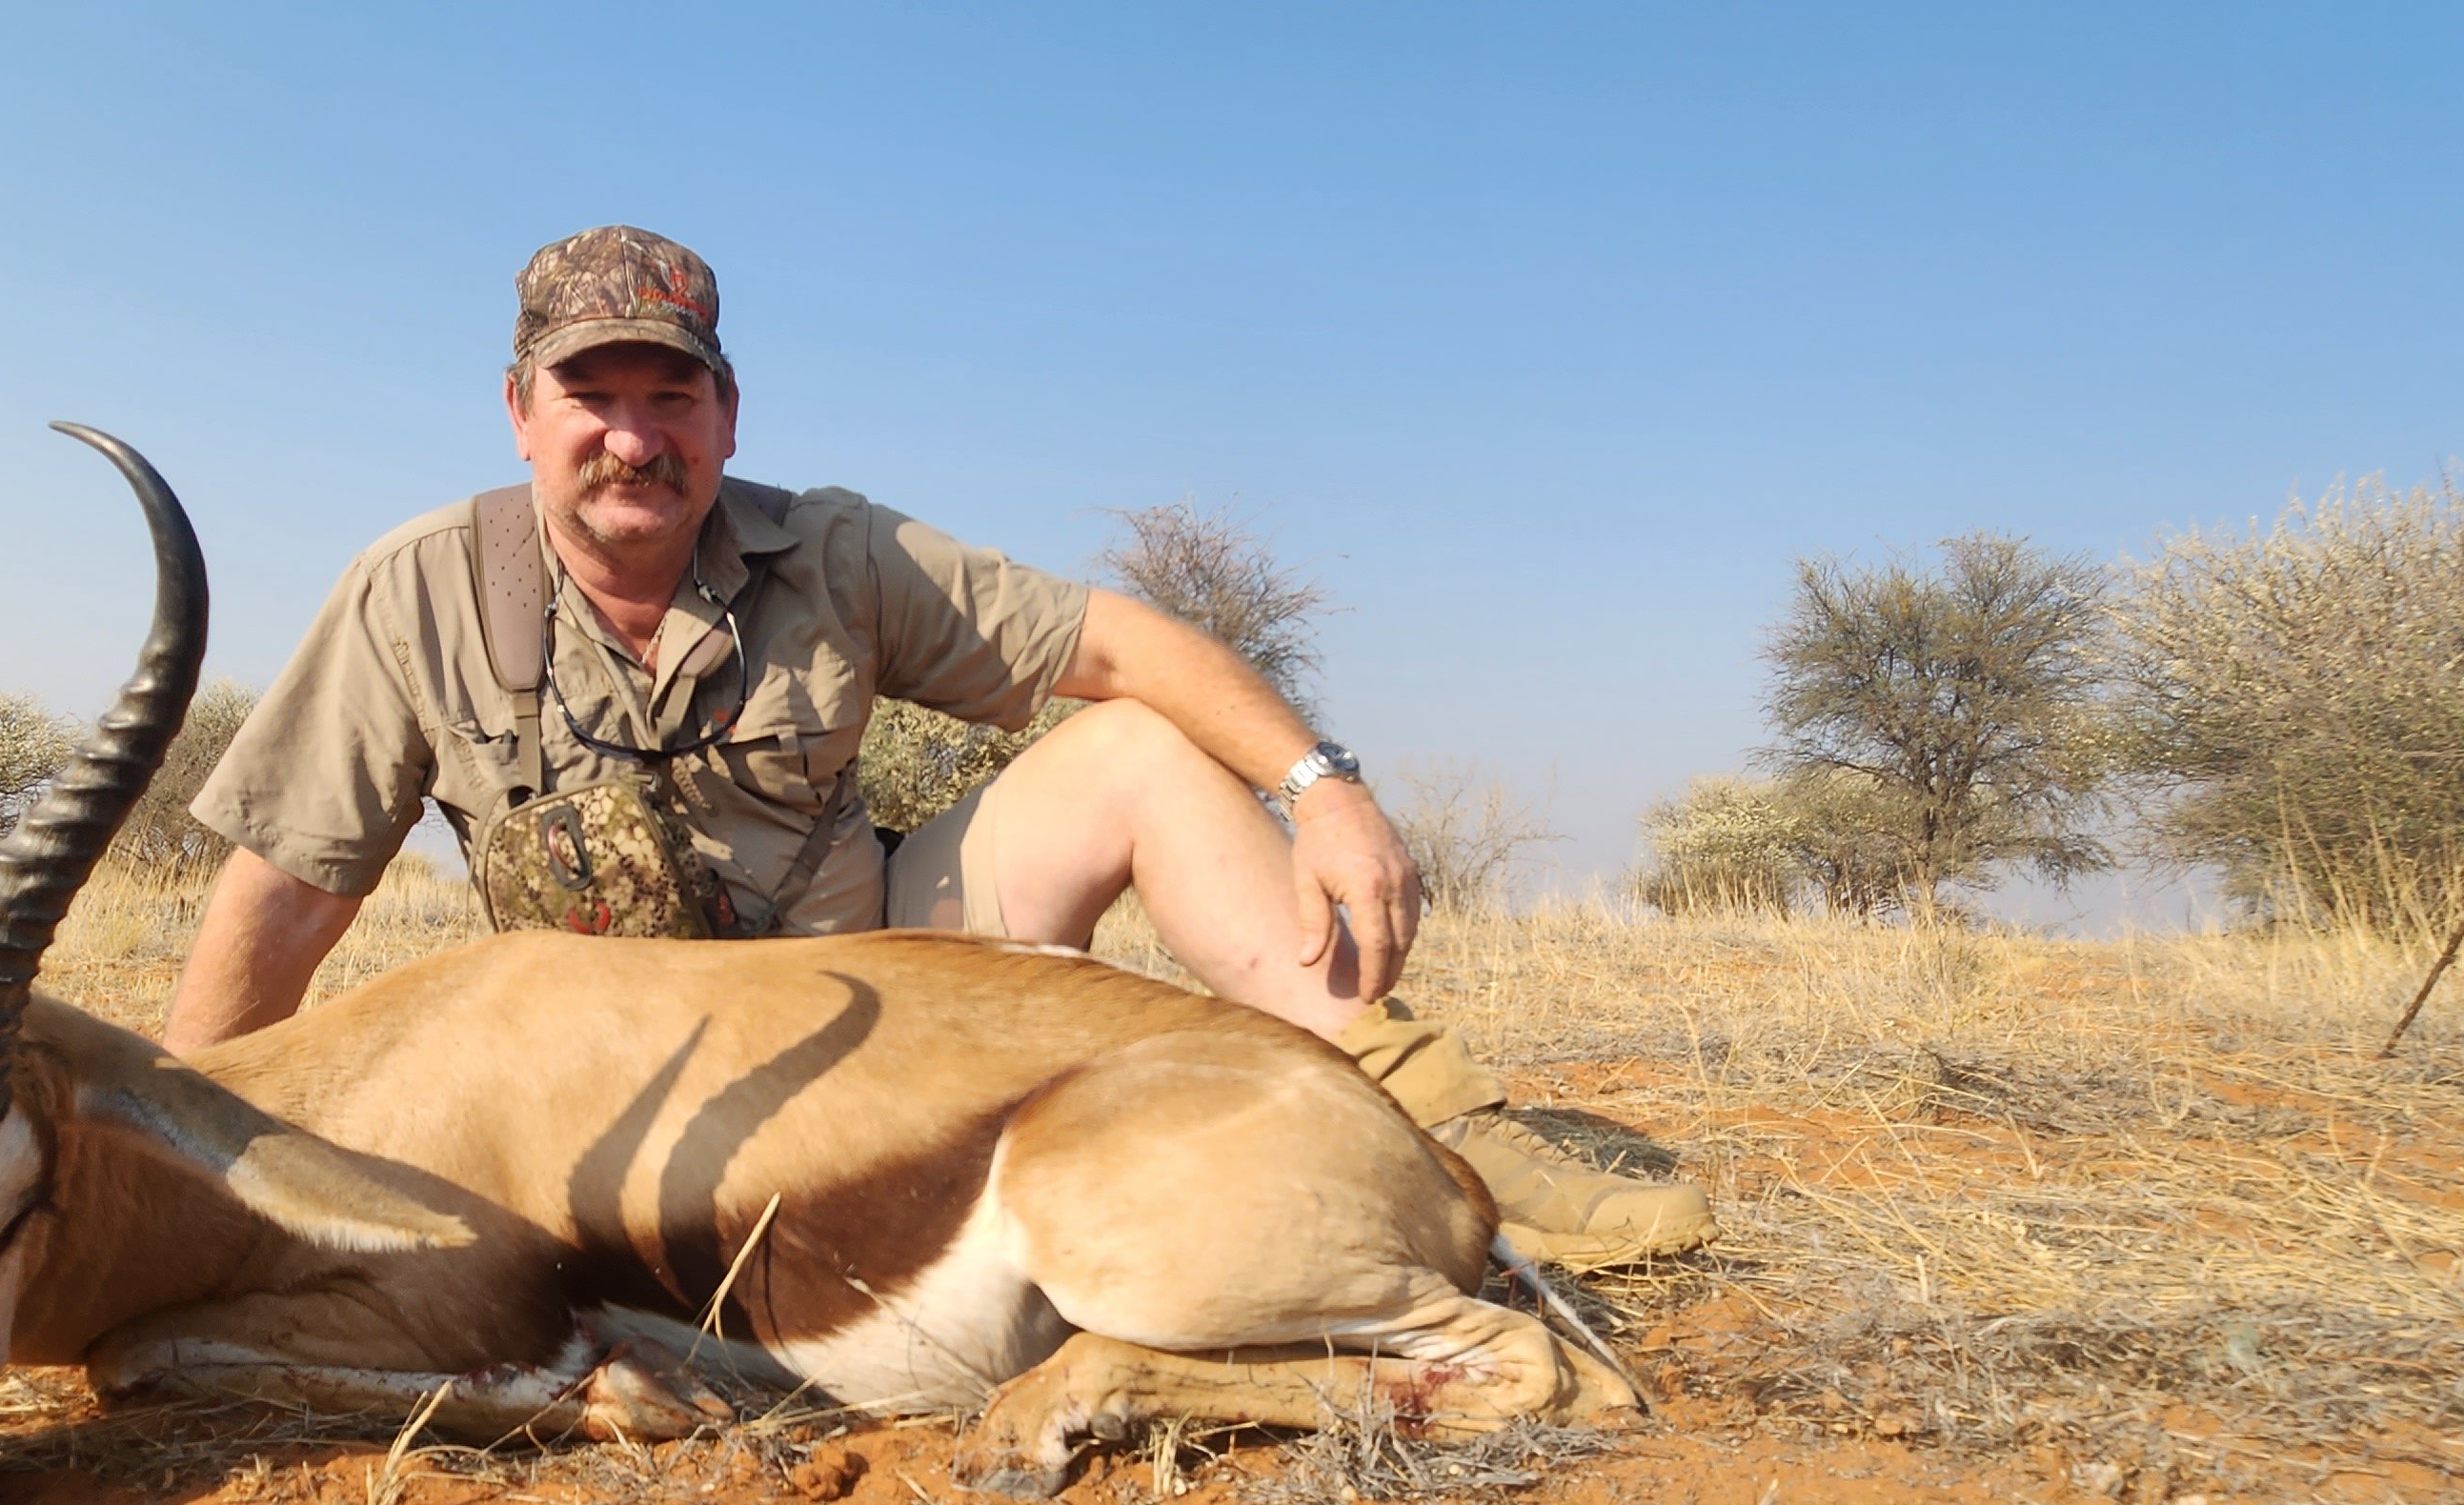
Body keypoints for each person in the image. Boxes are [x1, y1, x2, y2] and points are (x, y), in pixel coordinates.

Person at [167, 224, 1711, 1267]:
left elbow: (1115, 644)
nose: (633, 434)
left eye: (672, 392)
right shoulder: (412, 591)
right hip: (614, 1090)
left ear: (728, 411)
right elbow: (282, 898)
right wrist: (168, 1164)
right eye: (592, 394)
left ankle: (1420, 1106)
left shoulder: (835, 551)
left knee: (1135, 746)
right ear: (519, 412)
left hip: (889, 1003)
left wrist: (1325, 787)